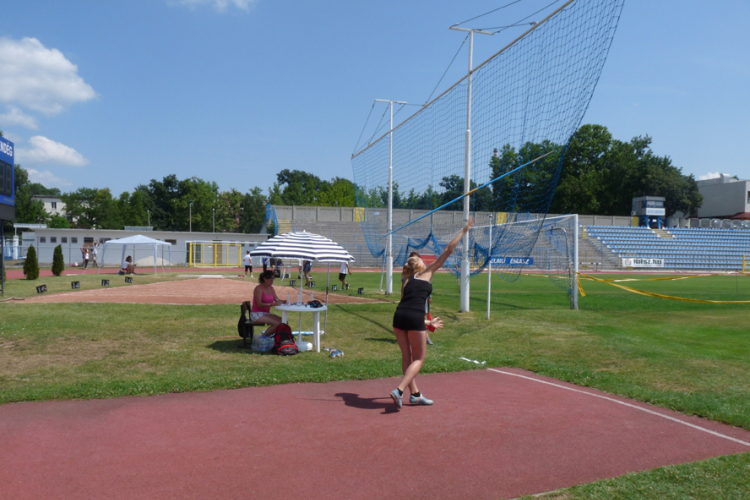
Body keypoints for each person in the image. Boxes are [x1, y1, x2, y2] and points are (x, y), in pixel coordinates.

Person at [390, 218, 473, 409]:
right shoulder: (427, 272)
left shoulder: (408, 280)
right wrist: (464, 230)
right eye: (420, 258)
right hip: (412, 316)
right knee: (419, 359)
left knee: (406, 358)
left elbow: (407, 304)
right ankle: (400, 390)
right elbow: (448, 251)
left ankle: (415, 395)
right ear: (418, 264)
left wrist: (427, 324)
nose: (423, 259)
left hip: (399, 316)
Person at [401, 251, 434, 346]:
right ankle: (414, 336)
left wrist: (429, 296)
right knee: (413, 318)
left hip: (422, 298)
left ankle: (426, 337)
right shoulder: (406, 274)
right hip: (411, 299)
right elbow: (403, 286)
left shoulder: (424, 273)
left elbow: (428, 284)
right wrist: (403, 297)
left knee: (422, 316)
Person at [246, 270, 284, 337]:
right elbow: (259, 304)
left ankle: (277, 337)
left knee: (284, 322)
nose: (272, 281)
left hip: (266, 313)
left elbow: (277, 299)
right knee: (277, 323)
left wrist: (284, 302)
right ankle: (263, 338)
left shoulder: (271, 288)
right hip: (256, 314)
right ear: (264, 279)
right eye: (270, 279)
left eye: (273, 279)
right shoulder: (258, 289)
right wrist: (271, 304)